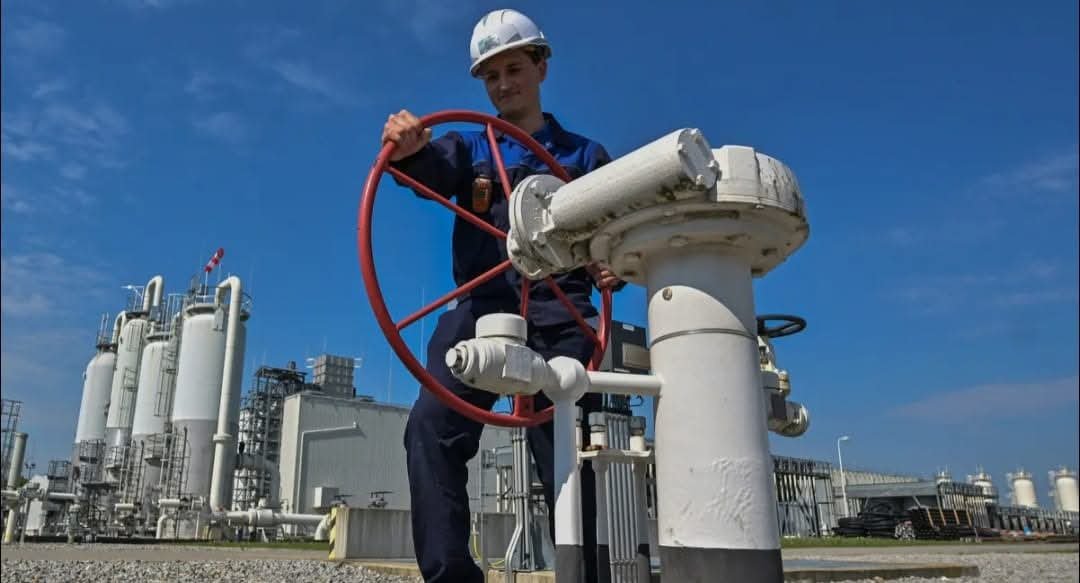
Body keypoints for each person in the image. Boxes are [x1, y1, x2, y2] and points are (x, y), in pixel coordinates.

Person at [380, 9, 621, 583]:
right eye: (491, 76)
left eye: (514, 69)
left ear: (541, 67)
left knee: (569, 452)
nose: (504, 84)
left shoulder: (585, 158)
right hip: (483, 309)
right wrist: (406, 147)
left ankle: (586, 575)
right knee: (431, 428)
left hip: (562, 313)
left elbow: (616, 239)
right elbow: (426, 170)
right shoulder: (470, 148)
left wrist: (614, 264)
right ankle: (451, 576)